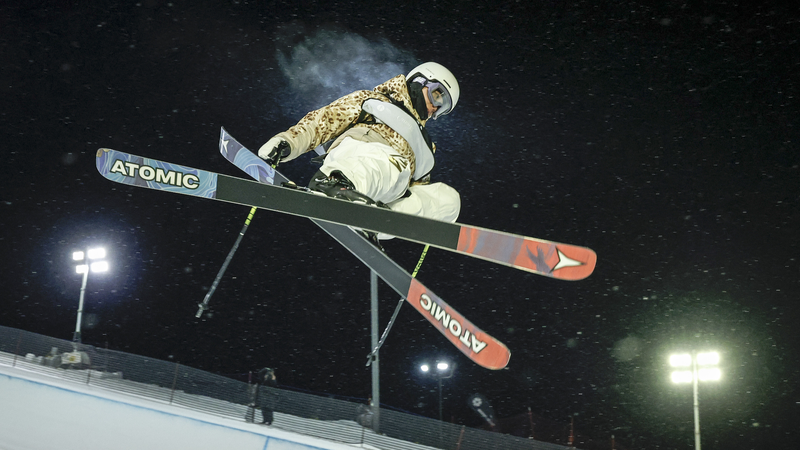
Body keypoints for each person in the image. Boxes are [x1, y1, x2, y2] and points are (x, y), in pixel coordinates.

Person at [258, 62, 462, 235]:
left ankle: (378, 221)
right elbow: (326, 119)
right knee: (389, 161)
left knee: (449, 199)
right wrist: (288, 141)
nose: (436, 108)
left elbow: (417, 193)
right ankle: (333, 184)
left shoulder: (425, 146)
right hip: (359, 152)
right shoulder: (375, 101)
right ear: (419, 81)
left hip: (386, 189)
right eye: (437, 96)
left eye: (442, 108)